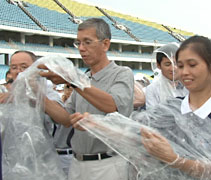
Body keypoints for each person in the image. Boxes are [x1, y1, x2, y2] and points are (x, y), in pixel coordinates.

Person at [39, 18, 134, 180]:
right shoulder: (83, 79)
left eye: (87, 42)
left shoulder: (122, 73)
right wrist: (39, 98)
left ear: (105, 44)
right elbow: (67, 119)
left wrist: (73, 81)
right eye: (78, 43)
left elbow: (112, 105)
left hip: (108, 164)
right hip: (78, 163)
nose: (81, 48)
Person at [139, 35, 211, 178]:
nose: (183, 72)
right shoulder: (172, 108)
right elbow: (135, 131)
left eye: (192, 65)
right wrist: (97, 125)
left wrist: (175, 160)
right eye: (181, 65)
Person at [0, 50, 72, 176]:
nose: (19, 71)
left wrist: (37, 97)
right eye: (14, 67)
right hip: (12, 166)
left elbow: (65, 119)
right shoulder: (4, 96)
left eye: (24, 67)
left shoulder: (47, 91)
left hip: (43, 166)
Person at [145, 43, 188, 109]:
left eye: (176, 63)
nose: (173, 68)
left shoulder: (190, 85)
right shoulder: (152, 89)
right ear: (158, 65)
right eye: (167, 64)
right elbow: (152, 114)